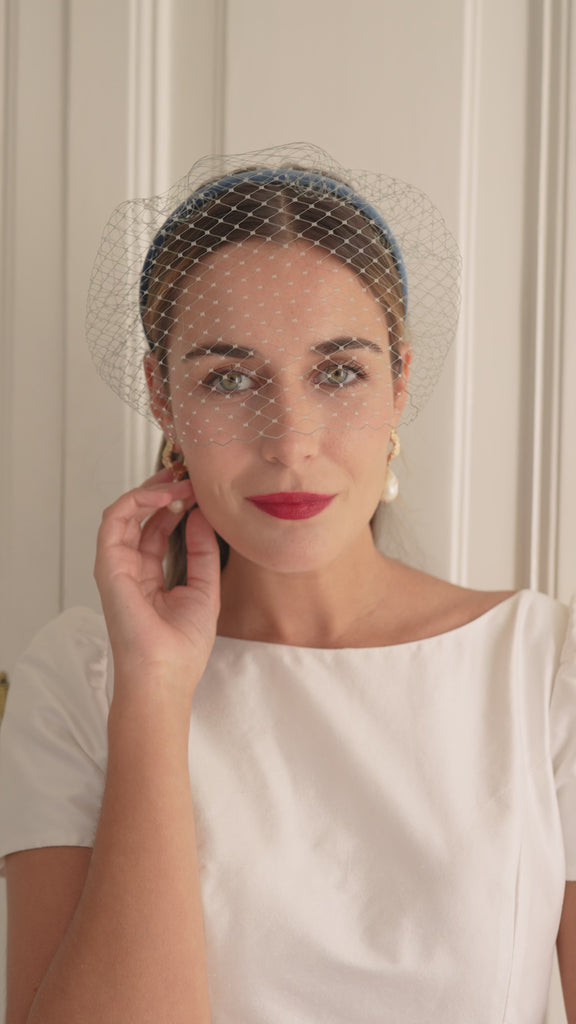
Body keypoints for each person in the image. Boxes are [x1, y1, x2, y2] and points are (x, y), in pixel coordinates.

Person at [0, 144, 575, 1024]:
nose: (290, 440)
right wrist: (152, 694)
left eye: (338, 371)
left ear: (400, 381)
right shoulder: (83, 676)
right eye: (229, 379)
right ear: (163, 395)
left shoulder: (543, 669)